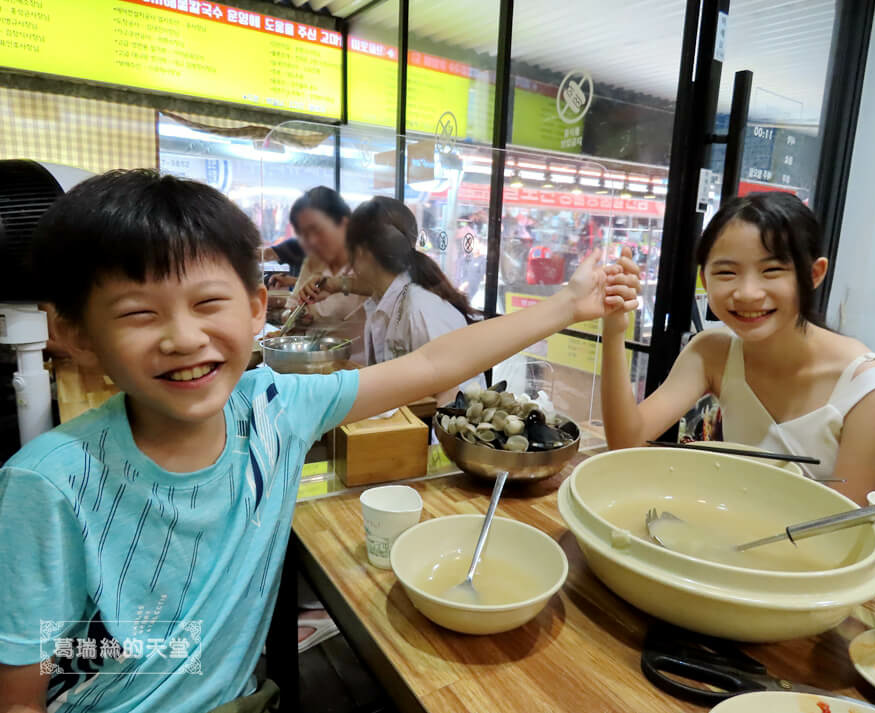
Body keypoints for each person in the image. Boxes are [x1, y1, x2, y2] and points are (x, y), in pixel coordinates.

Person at [0, 170, 639, 713]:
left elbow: (433, 367)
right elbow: (21, 693)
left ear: (255, 311)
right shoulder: (49, 482)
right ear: (77, 334)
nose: (183, 337)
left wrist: (565, 306)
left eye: (207, 303)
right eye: (139, 313)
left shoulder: (276, 408)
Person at [600, 192, 875, 503]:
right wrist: (613, 331)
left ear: (813, 275)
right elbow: (627, 442)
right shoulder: (712, 352)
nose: (747, 293)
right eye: (727, 272)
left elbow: (842, 529)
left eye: (772, 270)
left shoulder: (873, 391)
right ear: (704, 279)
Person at [301, 197, 485, 405]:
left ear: (363, 253)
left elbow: (449, 398)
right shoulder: (387, 296)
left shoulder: (419, 309)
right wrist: (334, 285)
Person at [279, 187, 366, 361]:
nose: (310, 241)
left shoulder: (366, 262)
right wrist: (297, 317)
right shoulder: (312, 263)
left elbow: (385, 288)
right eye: (303, 234)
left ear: (344, 224)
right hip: (313, 363)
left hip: (358, 367)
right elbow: (287, 313)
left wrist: (338, 284)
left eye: (317, 230)